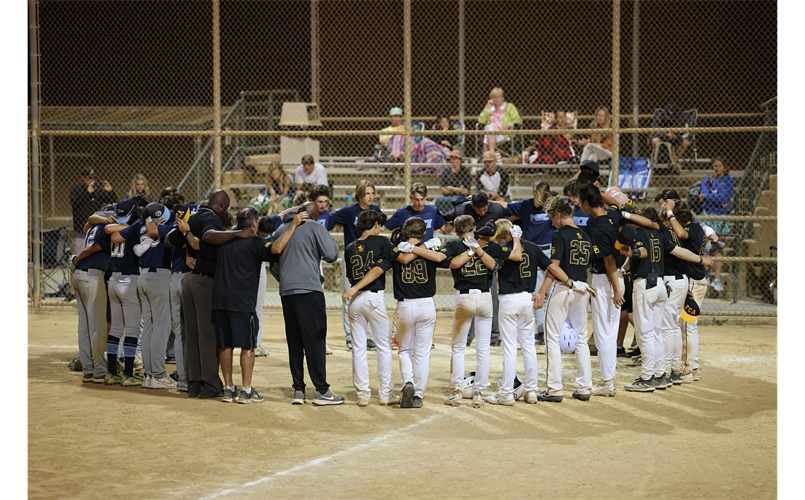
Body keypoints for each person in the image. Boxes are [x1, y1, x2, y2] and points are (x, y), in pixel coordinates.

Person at [348, 217, 444, 408]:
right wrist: (424, 246)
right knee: (422, 352)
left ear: (405, 233)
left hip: (404, 305)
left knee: (405, 350)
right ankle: (417, 394)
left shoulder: (396, 250)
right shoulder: (429, 249)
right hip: (426, 304)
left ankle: (405, 382)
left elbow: (403, 259)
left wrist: (408, 247)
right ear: (424, 233)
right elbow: (440, 258)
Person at [213, 207, 303, 404]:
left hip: (221, 299)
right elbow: (277, 248)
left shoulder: (225, 240)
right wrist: (293, 225)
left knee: (225, 345)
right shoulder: (254, 241)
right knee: (248, 345)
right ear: (254, 223)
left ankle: (228, 389)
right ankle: (246, 390)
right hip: (242, 301)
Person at [618, 203, 712, 392]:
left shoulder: (640, 233)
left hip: (646, 285)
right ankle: (661, 375)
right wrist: (701, 259)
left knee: (645, 335)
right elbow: (679, 252)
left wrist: (631, 253)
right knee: (658, 333)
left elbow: (642, 252)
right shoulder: (659, 232)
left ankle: (647, 378)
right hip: (660, 284)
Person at [486, 219, 573, 405]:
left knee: (509, 349)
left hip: (509, 300)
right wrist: (570, 283)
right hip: (528, 300)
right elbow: (552, 267)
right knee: (528, 347)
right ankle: (532, 391)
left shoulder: (501, 249)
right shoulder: (532, 247)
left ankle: (506, 394)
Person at [441, 215, 520, 407]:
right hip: (485, 298)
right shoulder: (488, 244)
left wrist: (471, 249)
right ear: (474, 227)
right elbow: (512, 258)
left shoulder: (454, 245)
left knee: (459, 347)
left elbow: (451, 263)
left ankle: (457, 391)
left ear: (456, 231)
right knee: (483, 348)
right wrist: (477, 248)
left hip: (464, 298)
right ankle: (479, 393)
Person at [184, 190, 255, 399]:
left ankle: (194, 384)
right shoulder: (209, 217)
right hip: (205, 281)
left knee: (192, 336)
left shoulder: (193, 216)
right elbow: (208, 237)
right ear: (222, 205)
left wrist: (188, 248)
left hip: (189, 280)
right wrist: (235, 234)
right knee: (207, 336)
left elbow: (172, 238)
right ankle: (211, 385)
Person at [272, 203, 343, 406]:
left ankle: (298, 390)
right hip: (310, 291)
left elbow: (274, 265)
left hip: (287, 292)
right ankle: (322, 390)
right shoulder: (314, 226)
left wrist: (289, 279)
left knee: (295, 342)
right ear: (314, 215)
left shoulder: (280, 229)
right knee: (315, 341)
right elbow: (331, 255)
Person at [339, 210, 405, 407]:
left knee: (358, 348)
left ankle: (362, 394)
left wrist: (355, 288)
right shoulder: (382, 241)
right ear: (375, 224)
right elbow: (399, 259)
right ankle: (386, 394)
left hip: (355, 302)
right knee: (383, 347)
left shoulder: (350, 247)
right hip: (373, 298)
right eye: (380, 224)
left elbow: (351, 278)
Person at [534, 196, 595, 403]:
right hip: (582, 288)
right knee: (581, 338)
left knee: (551, 339)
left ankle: (554, 389)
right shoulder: (585, 236)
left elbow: (553, 268)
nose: (551, 222)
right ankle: (585, 387)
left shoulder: (559, 234)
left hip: (564, 288)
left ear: (558, 214)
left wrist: (541, 293)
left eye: (552, 217)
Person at [442, 192, 510, 347]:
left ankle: (493, 335)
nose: (482, 212)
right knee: (481, 303)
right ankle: (469, 337)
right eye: (479, 210)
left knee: (489, 299)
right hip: (484, 254)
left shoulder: (497, 209)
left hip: (484, 257)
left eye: (485, 209)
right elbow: (444, 218)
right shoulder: (462, 211)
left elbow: (514, 212)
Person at [577, 184, 625, 397]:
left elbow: (608, 262)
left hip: (606, 281)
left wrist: (616, 291)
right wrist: (597, 191)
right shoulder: (613, 215)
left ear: (587, 203)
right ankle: (609, 378)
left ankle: (606, 382)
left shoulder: (596, 228)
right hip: (616, 279)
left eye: (581, 201)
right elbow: (615, 203)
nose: (579, 205)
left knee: (604, 334)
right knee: (610, 331)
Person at [328, 180, 384, 351]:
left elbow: (381, 226)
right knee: (350, 295)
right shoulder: (349, 211)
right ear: (359, 194)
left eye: (372, 193)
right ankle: (350, 337)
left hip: (370, 256)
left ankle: (366, 337)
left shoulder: (376, 211)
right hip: (352, 257)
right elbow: (329, 222)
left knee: (368, 296)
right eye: (367, 193)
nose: (371, 196)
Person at [664, 199, 709, 383]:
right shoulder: (698, 227)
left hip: (693, 282)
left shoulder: (689, 230)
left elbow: (681, 233)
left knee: (688, 327)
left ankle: (689, 369)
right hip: (697, 280)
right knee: (688, 327)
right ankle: (693, 367)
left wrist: (669, 213)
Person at [506, 181, 554, 344]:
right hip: (533, 251)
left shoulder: (553, 205)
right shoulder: (526, 205)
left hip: (550, 250)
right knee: (537, 292)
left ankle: (553, 330)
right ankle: (541, 331)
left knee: (553, 292)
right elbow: (504, 206)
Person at [102, 198, 144, 387]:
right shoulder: (133, 228)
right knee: (133, 328)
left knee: (117, 328)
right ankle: (128, 373)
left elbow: (110, 230)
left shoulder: (115, 226)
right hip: (129, 280)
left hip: (113, 281)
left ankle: (111, 372)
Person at [69, 210, 113, 384]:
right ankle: (100, 371)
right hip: (92, 277)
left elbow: (90, 220)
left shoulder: (94, 227)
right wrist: (77, 258)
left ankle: (88, 369)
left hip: (80, 276)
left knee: (84, 326)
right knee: (97, 326)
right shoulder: (106, 228)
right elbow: (93, 248)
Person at [137, 203, 176, 389]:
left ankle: (148, 375)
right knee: (162, 326)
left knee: (149, 328)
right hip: (160, 277)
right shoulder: (168, 226)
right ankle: (159, 375)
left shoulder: (142, 225)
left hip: (143, 276)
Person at [163, 202, 199, 392]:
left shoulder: (172, 228)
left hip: (174, 280)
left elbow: (168, 240)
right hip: (188, 280)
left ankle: (183, 379)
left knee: (179, 331)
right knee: (192, 331)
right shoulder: (193, 228)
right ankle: (191, 377)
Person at [699, 158, 734, 292]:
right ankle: (706, 277)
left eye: (719, 166)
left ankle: (717, 280)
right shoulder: (708, 179)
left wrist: (707, 196)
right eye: (715, 166)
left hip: (721, 216)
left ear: (724, 168)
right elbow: (704, 196)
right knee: (707, 245)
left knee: (719, 246)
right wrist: (717, 199)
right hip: (708, 214)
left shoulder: (728, 181)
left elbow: (725, 198)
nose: (717, 168)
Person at [69, 167, 117, 255]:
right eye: (89, 178)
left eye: (93, 178)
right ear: (83, 178)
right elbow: (74, 203)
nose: (92, 180)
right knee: (78, 259)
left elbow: (113, 202)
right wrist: (87, 193)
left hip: (96, 232)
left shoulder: (97, 191)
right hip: (81, 232)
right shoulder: (76, 190)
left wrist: (111, 192)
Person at [478, 87, 522, 156]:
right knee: (491, 127)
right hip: (490, 133)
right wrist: (486, 107)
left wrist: (507, 126)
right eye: (493, 97)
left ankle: (485, 154)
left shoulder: (509, 107)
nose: (496, 99)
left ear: (502, 98)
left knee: (488, 132)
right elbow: (481, 121)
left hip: (503, 133)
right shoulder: (490, 108)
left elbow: (517, 120)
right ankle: (492, 153)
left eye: (498, 97)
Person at [434, 149, 471, 214]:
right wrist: (459, 189)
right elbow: (442, 189)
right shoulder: (446, 171)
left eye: (456, 159)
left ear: (460, 160)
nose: (454, 161)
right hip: (448, 197)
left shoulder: (465, 172)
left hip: (461, 198)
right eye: (452, 159)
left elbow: (465, 191)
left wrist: (451, 188)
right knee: (438, 200)